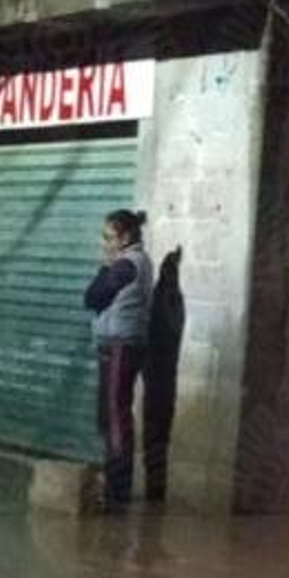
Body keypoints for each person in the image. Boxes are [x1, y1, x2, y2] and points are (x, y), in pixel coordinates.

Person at [83, 209, 154, 512]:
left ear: (125, 237)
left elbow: (92, 297)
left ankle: (117, 492)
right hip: (119, 346)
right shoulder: (134, 262)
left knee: (115, 418)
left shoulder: (126, 264)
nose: (104, 244)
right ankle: (113, 484)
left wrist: (103, 268)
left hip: (120, 347)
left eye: (109, 237)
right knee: (110, 416)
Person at [143, 247, 185, 505]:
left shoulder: (163, 297)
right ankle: (155, 485)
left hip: (157, 374)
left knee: (155, 430)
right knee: (159, 430)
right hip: (164, 373)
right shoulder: (171, 297)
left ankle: (155, 486)